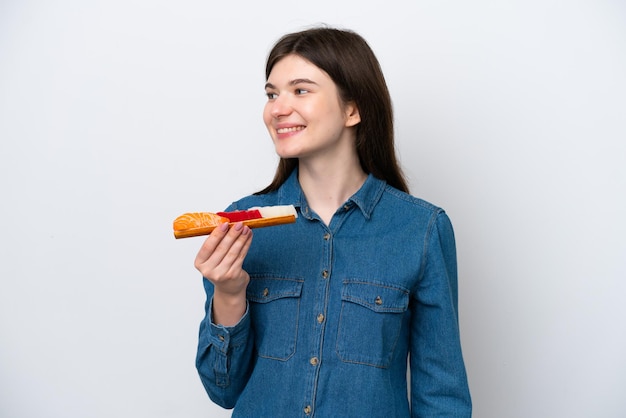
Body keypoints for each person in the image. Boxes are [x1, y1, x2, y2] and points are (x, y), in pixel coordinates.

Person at [193, 26, 472, 417]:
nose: (277, 108)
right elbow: (223, 390)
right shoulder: (241, 226)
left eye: (300, 90)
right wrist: (228, 294)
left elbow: (442, 397)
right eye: (272, 94)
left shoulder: (421, 230)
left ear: (352, 109)